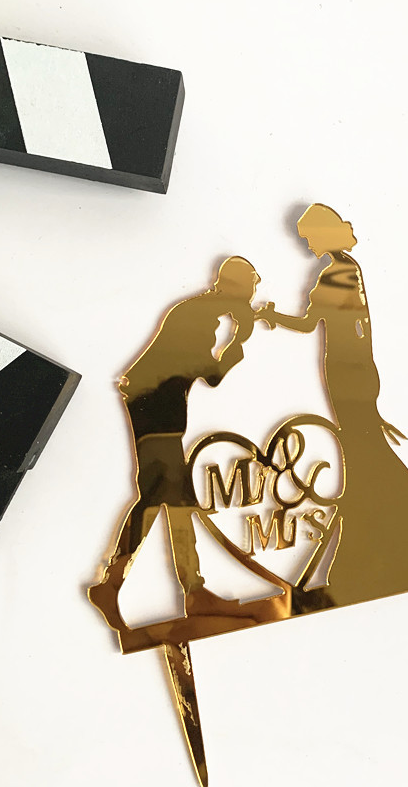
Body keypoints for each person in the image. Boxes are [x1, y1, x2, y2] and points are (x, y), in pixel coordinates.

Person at [256, 204, 408, 608]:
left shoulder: (335, 274)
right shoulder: (349, 269)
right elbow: (350, 328)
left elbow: (308, 324)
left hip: (347, 374)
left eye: (309, 237)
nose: (308, 244)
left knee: (366, 457)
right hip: (355, 373)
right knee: (365, 456)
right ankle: (392, 543)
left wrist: (271, 315)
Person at [89, 256, 263, 631]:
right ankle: (113, 585)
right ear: (233, 289)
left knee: (177, 501)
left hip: (160, 414)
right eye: (249, 291)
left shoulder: (203, 313)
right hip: (154, 413)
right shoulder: (197, 316)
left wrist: (238, 335)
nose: (249, 300)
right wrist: (238, 340)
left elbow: (207, 374)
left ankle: (191, 589)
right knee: (157, 498)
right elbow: (211, 374)